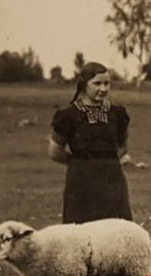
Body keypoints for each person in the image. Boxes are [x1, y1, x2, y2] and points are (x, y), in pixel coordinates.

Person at [50, 62, 133, 223]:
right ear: (84, 85)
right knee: (80, 231)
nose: (103, 89)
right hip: (81, 181)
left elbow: (122, 145)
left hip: (112, 180)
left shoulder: (117, 113)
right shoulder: (68, 116)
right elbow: (55, 152)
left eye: (107, 83)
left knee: (116, 229)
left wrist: (106, 163)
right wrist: (80, 163)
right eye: (97, 83)